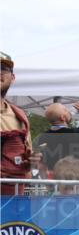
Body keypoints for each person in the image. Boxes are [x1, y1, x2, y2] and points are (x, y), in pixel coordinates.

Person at [1, 51, 33, 195]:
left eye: (3, 68)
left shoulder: (20, 117)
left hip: (11, 201)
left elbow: (27, 164)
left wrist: (31, 162)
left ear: (12, 78)